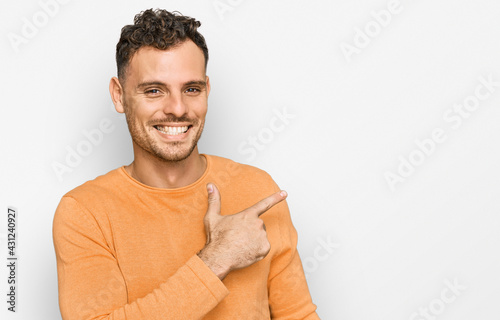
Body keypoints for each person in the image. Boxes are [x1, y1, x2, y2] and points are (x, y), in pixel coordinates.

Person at [53, 8, 319, 320]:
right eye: (154, 90)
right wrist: (216, 259)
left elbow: (298, 315)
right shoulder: (84, 212)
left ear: (207, 90)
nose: (178, 109)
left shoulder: (258, 190)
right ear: (119, 95)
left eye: (191, 89)